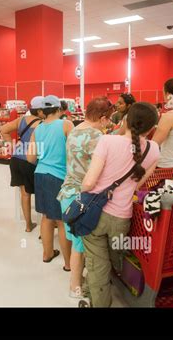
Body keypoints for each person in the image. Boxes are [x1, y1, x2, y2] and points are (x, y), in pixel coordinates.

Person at [81, 102, 160, 307]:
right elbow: (138, 185)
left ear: (125, 120)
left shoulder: (107, 141)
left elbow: (89, 182)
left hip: (96, 214)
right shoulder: (154, 149)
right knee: (114, 258)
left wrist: (81, 190)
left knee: (97, 262)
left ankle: (99, 302)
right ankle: (104, 289)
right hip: (122, 218)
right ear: (152, 128)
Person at [57, 97, 113, 299]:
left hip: (67, 192)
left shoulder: (74, 129)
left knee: (76, 243)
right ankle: (75, 287)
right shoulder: (97, 136)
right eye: (108, 118)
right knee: (82, 247)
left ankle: (75, 284)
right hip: (84, 196)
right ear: (103, 117)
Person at [27, 95, 74, 271]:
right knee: (62, 221)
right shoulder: (66, 124)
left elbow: (31, 158)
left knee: (46, 217)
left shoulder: (37, 129)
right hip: (59, 177)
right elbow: (74, 150)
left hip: (40, 174)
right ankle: (69, 264)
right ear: (59, 109)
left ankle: (47, 254)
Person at [0, 99, 45, 232]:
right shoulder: (42, 124)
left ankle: (28, 225)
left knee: (24, 193)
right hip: (31, 161)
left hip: (16, 159)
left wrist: (13, 146)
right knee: (40, 193)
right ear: (41, 110)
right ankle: (45, 224)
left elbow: (3, 129)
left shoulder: (21, 120)